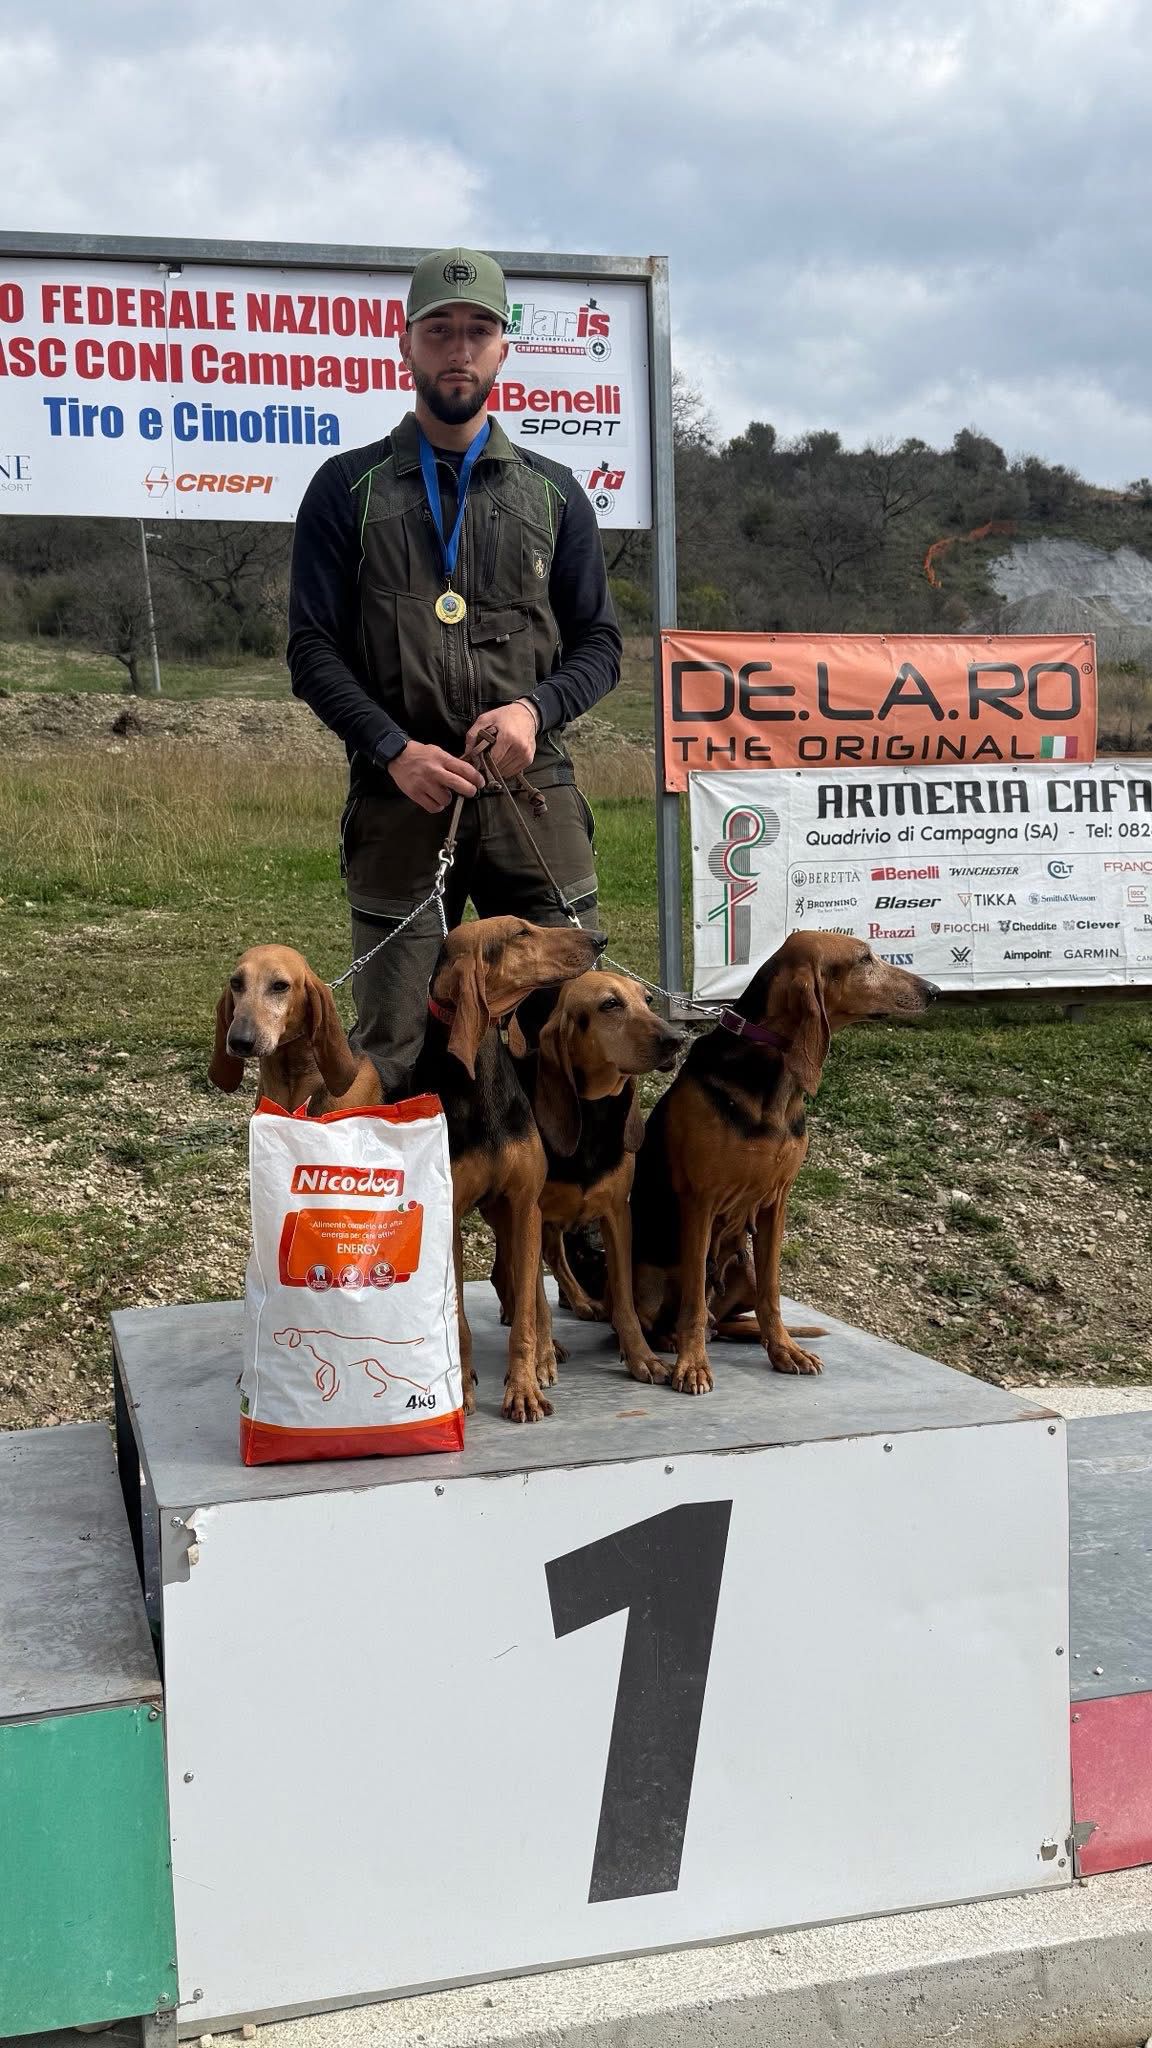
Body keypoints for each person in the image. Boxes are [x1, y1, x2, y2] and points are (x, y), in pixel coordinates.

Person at [287, 246, 622, 1096]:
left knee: (577, 1028)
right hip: (401, 791)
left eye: (479, 331)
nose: (459, 349)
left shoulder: (555, 494)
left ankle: (568, 1188)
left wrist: (534, 712)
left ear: (504, 348)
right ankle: (401, 1184)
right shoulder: (345, 488)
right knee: (395, 1041)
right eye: (439, 330)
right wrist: (392, 748)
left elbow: (601, 645)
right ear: (405, 343)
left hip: (530, 787)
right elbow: (312, 651)